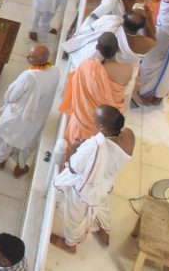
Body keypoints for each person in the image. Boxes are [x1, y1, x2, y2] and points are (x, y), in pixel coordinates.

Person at [50, 105, 135, 254]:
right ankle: (103, 231)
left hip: (85, 190)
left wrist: (76, 147)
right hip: (105, 184)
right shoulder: (129, 136)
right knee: (101, 205)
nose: (92, 117)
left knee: (74, 216)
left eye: (95, 117)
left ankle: (70, 244)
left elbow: (73, 168)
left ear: (102, 126)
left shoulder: (93, 146)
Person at [0, 45, 60, 177]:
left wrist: (8, 101)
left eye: (31, 56)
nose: (27, 57)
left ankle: (1, 161)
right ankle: (20, 168)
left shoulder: (29, 76)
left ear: (40, 60)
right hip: (38, 116)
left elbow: (11, 96)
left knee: (7, 139)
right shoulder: (55, 71)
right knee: (27, 143)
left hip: (19, 117)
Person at [59, 34, 129, 146]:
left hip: (82, 123)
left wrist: (96, 56)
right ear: (118, 49)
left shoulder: (87, 66)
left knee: (72, 150)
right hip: (106, 124)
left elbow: (75, 85)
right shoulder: (127, 69)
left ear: (97, 48)